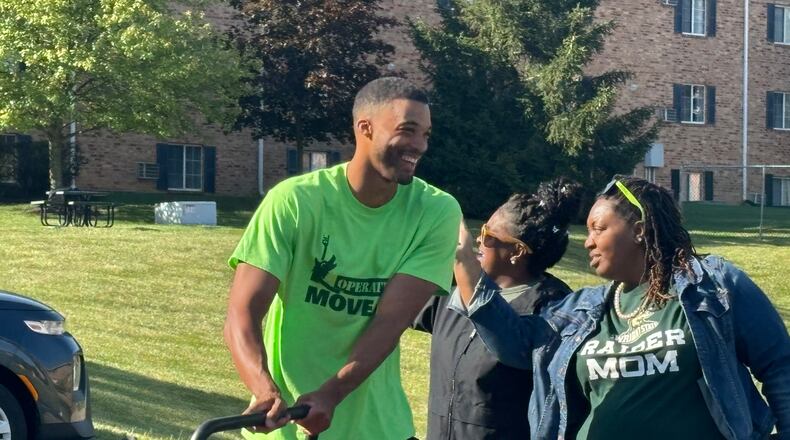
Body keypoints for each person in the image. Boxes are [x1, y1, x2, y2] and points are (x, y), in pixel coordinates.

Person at [455, 175, 790, 440]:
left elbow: (779, 364)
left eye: (598, 228)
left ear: (640, 229)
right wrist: (464, 260)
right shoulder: (580, 311)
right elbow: (513, 343)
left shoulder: (712, 285)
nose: (587, 241)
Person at [224, 76, 462, 440]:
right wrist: (263, 389)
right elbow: (243, 312)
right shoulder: (294, 201)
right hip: (286, 425)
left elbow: (390, 322)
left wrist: (331, 393)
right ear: (364, 128)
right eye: (407, 130)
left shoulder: (436, 212)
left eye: (426, 134)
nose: (419, 145)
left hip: (377, 427)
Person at [412, 178, 581, 439]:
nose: (479, 242)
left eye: (488, 236)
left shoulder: (552, 310)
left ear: (517, 251)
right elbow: (394, 305)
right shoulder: (453, 291)